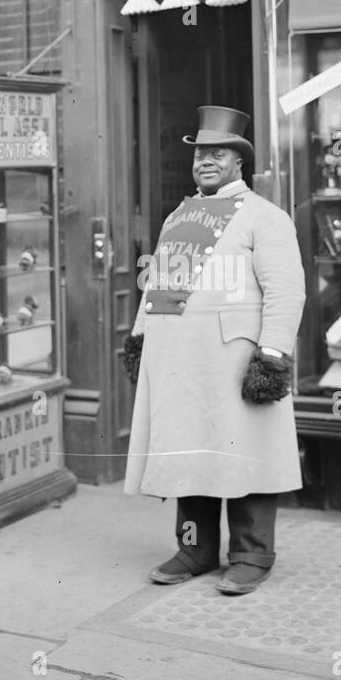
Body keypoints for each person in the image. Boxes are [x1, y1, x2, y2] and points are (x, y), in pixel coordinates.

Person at [122, 106, 306, 595]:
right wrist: (140, 337)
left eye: (217, 153)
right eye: (200, 153)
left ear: (239, 161)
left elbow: (286, 291)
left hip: (232, 360)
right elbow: (156, 282)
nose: (205, 160)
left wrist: (271, 356)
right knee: (189, 455)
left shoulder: (265, 218)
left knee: (243, 455)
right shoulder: (180, 215)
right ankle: (195, 549)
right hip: (179, 362)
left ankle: (251, 555)